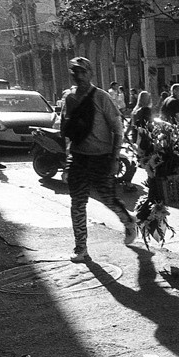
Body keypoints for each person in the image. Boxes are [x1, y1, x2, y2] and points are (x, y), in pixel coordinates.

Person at [61, 57, 136, 263]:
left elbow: (118, 130)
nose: (79, 76)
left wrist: (114, 159)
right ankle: (81, 248)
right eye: (75, 72)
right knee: (77, 203)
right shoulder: (69, 98)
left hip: (101, 158)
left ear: (90, 73)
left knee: (107, 198)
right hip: (78, 158)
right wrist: (67, 159)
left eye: (83, 72)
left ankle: (129, 221)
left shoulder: (101, 97)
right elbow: (67, 131)